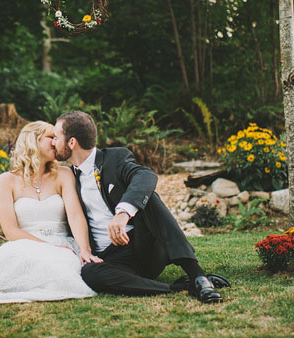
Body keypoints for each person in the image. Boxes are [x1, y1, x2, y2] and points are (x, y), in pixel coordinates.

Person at [52, 111, 226, 303]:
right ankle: (178, 287)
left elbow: (146, 176)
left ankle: (198, 277)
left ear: (72, 142)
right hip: (113, 261)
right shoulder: (69, 177)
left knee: (149, 198)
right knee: (90, 273)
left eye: (56, 137)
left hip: (144, 248)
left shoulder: (114, 158)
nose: (53, 142)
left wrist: (123, 212)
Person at [0, 121, 102, 303]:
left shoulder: (63, 174)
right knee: (15, 259)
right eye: (51, 137)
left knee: (61, 267)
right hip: (24, 243)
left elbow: (76, 216)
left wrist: (84, 250)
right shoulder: (6, 181)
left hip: (62, 244)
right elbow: (11, 231)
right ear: (33, 141)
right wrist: (47, 246)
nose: (56, 142)